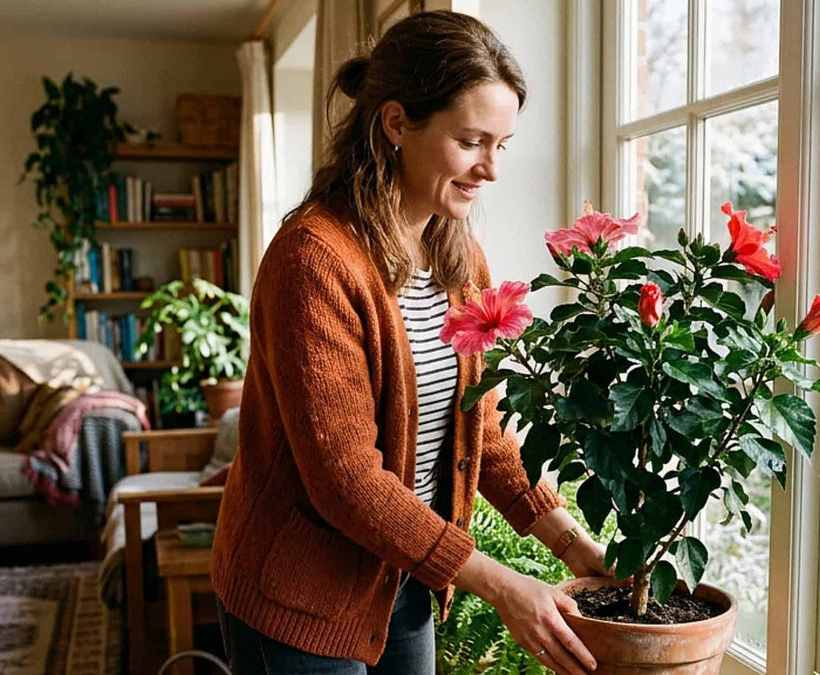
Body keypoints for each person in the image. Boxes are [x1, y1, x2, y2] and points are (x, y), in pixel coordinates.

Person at [210, 10, 609, 675]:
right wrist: (502, 585)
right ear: (396, 123)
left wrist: (573, 545)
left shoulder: (460, 258)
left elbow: (480, 430)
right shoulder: (313, 260)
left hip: (405, 578)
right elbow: (346, 479)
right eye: (471, 141)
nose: (490, 169)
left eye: (501, 145)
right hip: (297, 600)